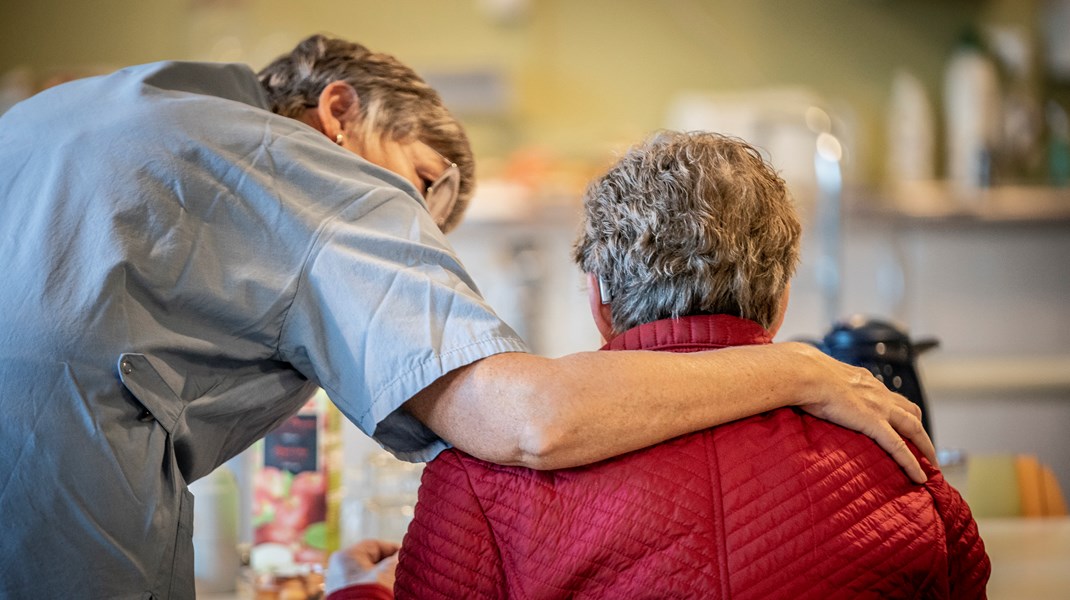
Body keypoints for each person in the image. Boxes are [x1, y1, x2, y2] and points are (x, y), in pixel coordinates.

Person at [0, 35, 932, 599]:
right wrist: (804, 368)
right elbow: (530, 422)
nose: (408, 242)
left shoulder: (96, 111)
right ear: (338, 113)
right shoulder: (315, 176)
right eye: (414, 196)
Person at [393, 131, 990, 599]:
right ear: (780, 303)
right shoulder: (894, 455)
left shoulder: (482, 475)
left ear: (598, 298)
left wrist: (355, 589)